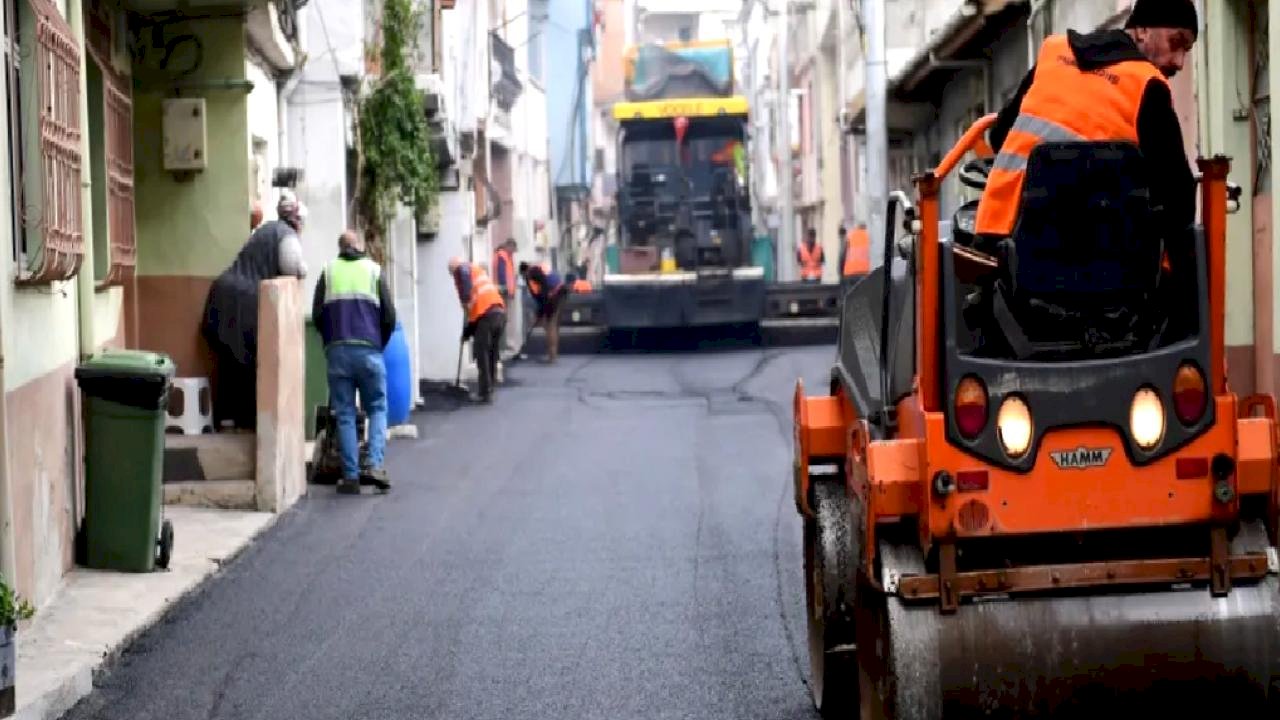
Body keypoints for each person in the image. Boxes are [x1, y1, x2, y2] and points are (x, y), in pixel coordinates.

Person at [976, 0, 1198, 245]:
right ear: (1143, 30)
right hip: (1097, 255)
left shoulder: (1056, 51)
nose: (1179, 62)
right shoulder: (1148, 85)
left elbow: (999, 136)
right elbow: (1177, 194)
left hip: (1004, 239)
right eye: (1175, 43)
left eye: (1186, 51)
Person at [202, 191, 308, 431]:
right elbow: (291, 265)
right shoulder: (286, 235)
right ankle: (246, 422)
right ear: (297, 220)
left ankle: (226, 419)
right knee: (250, 363)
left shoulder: (265, 230)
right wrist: (303, 270)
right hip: (244, 300)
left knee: (230, 363)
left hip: (220, 296)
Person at [313, 231, 396, 494]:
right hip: (369, 350)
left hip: (337, 351)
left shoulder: (328, 272)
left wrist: (330, 342)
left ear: (340, 248)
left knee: (345, 413)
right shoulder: (373, 271)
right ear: (360, 246)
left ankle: (350, 477)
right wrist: (378, 343)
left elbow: (317, 315)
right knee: (377, 408)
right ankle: (374, 465)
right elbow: (389, 316)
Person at [449, 257, 506, 403]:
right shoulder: (476, 271)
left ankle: (485, 393)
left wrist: (466, 300)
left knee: (482, 354)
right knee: (492, 353)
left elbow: (475, 309)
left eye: (452, 272)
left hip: (486, 315)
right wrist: (467, 333)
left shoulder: (462, 269)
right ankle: (489, 389)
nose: (453, 276)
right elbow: (475, 317)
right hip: (499, 313)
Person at [520, 262, 569, 364]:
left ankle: (552, 357)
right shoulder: (536, 269)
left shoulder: (531, 273)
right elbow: (540, 294)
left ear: (524, 272)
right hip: (560, 291)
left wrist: (541, 312)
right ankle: (552, 355)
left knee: (550, 325)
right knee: (551, 325)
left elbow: (542, 292)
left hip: (554, 295)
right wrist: (540, 312)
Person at [493, 238, 521, 363]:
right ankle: (501, 348)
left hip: (505, 292)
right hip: (502, 292)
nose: (513, 252)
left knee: (504, 319)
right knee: (502, 320)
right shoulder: (502, 256)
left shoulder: (506, 256)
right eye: (513, 249)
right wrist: (506, 290)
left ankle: (503, 347)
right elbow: (502, 275)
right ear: (509, 246)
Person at [839, 222, 871, 287]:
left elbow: (843, 255)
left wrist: (841, 272)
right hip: (863, 272)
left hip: (850, 273)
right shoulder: (867, 237)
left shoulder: (850, 235)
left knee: (849, 292)